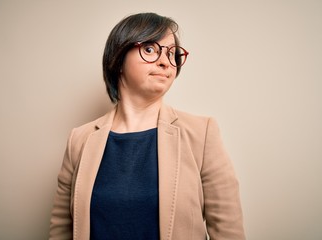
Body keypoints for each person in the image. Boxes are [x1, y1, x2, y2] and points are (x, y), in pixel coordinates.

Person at [49, 12, 245, 240]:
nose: (165, 62)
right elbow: (61, 229)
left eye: (172, 54)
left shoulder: (202, 133)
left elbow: (228, 231)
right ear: (118, 58)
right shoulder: (79, 139)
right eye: (150, 49)